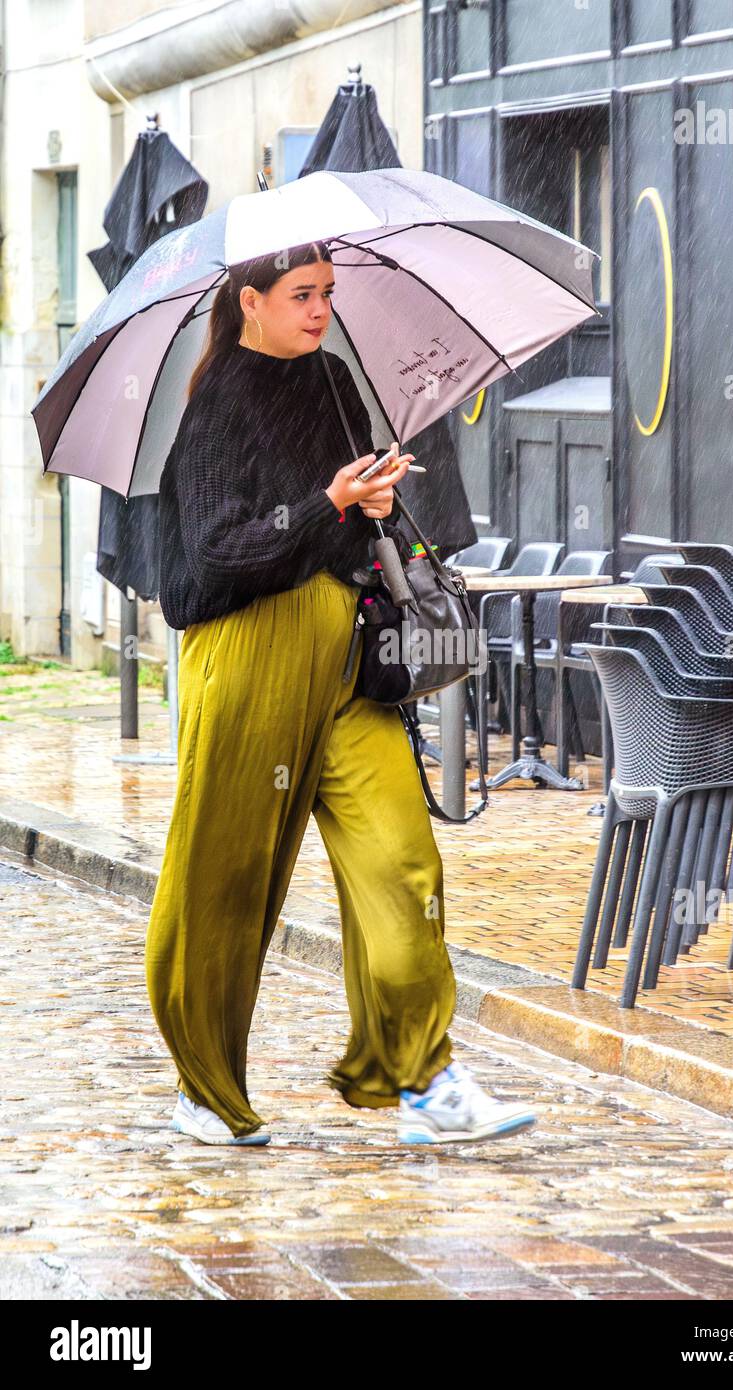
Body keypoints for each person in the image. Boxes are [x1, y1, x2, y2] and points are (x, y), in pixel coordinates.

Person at [145, 239, 537, 1147]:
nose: (319, 310)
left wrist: (375, 502)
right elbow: (215, 555)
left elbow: (364, 520)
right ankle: (204, 1086)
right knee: (225, 875)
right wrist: (324, 505)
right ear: (249, 301)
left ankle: (422, 1078)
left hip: (349, 660)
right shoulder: (216, 410)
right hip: (247, 658)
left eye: (327, 293)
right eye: (299, 294)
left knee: (402, 857)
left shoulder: (332, 382)